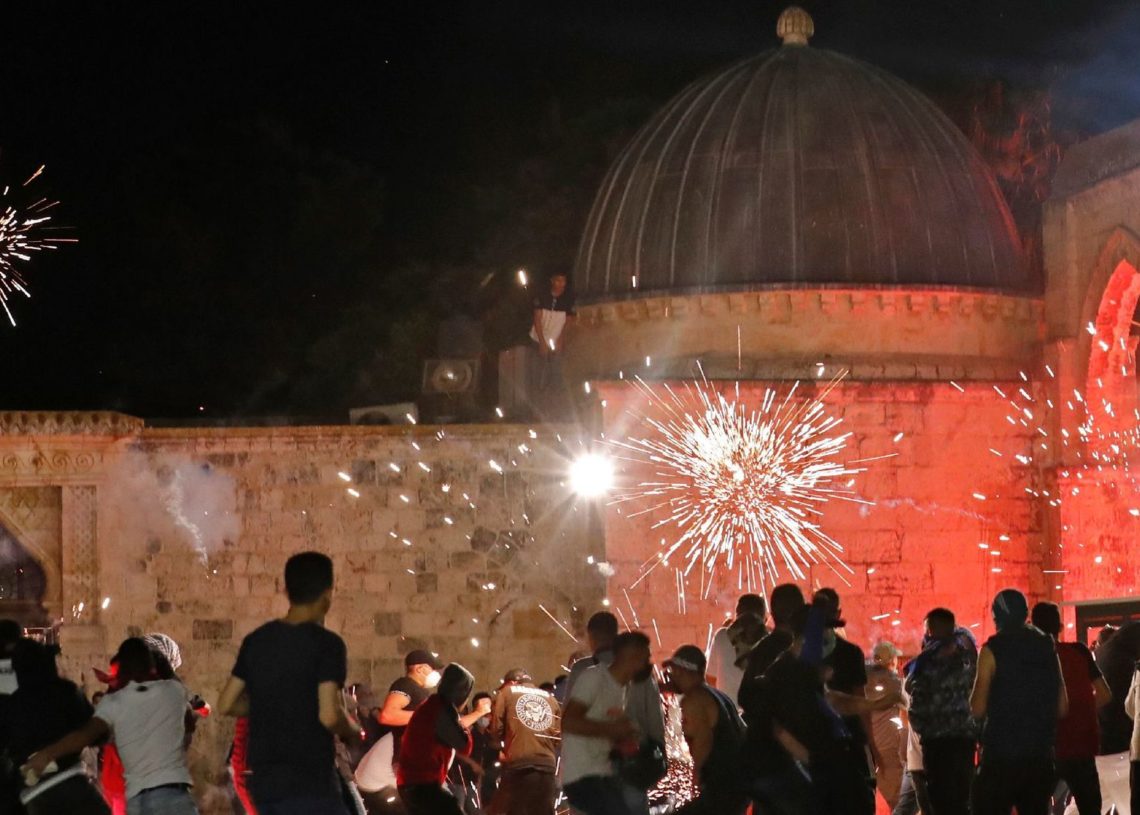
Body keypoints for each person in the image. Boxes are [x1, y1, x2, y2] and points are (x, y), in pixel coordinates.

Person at [217, 551, 359, 815]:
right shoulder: (327, 644)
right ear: (328, 594)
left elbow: (226, 703)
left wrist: (269, 704)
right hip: (309, 777)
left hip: (265, 779)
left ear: (286, 591)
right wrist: (351, 728)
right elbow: (329, 714)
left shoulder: (256, 640)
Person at [22, 637, 198, 815]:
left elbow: (83, 736)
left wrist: (45, 755)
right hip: (173, 794)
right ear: (152, 664)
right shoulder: (173, 692)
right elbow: (190, 723)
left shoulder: (114, 702)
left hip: (138, 799)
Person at [970, 588, 1067, 815]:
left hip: (1000, 758)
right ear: (1025, 614)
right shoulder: (1047, 647)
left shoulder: (991, 650)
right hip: (1039, 758)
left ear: (996, 617)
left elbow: (977, 709)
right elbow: (1063, 708)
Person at [564, 613, 665, 811]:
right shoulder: (592, 675)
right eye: (645, 658)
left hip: (608, 769)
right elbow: (655, 722)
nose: (650, 664)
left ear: (591, 637)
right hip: (599, 774)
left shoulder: (591, 673)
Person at [6, 638, 110, 814]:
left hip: (34, 795)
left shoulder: (11, 705)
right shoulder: (65, 692)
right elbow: (97, 734)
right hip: (71, 782)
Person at [1030, 602, 1110, 815]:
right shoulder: (1080, 652)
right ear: (1061, 627)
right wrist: (1082, 709)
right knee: (1090, 808)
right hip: (1082, 745)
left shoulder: (1030, 662)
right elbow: (1104, 694)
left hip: (1045, 749)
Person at [904, 608, 978, 815]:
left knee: (941, 803)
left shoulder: (926, 662)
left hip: (937, 744)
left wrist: (924, 731)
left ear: (932, 629)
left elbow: (915, 703)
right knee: (963, 800)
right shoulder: (969, 658)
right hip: (964, 740)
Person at [664, 645, 748, 815]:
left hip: (722, 785)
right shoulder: (717, 694)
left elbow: (704, 739)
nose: (670, 676)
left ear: (681, 671)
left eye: (673, 671)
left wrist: (696, 771)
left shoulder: (693, 700)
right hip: (739, 782)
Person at [813, 588, 877, 790]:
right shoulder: (851, 652)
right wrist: (872, 745)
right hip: (847, 740)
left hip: (815, 741)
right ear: (838, 614)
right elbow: (860, 702)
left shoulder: (799, 652)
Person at [397, 663, 478, 815]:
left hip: (414, 784)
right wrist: (461, 723)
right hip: (421, 786)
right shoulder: (441, 710)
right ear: (461, 692)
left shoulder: (433, 705)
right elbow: (464, 745)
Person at [488, 668, 561, 815]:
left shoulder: (507, 692)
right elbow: (558, 737)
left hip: (520, 764)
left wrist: (503, 744)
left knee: (511, 810)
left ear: (512, 682)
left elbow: (496, 730)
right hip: (547, 765)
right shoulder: (550, 698)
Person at [1094, 619, 1140, 814]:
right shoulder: (1129, 665)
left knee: (1084, 806)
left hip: (1101, 748)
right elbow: (1130, 707)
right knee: (1129, 805)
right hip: (1121, 752)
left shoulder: (1104, 654)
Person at [866, 641, 905, 811]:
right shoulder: (893, 682)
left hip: (873, 745)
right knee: (898, 800)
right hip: (890, 745)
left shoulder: (864, 683)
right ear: (890, 661)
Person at [707, 593, 767, 701]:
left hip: (728, 712)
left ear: (737, 614)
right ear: (763, 617)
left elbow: (710, 678)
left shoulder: (721, 636)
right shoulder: (770, 640)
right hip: (759, 712)